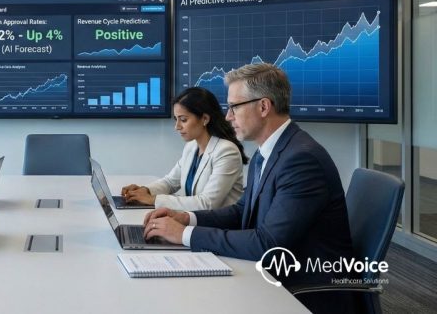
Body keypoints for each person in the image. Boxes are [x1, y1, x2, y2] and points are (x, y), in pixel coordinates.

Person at [142, 64, 356, 313]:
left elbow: (269, 245)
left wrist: (184, 235)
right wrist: (187, 218)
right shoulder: (266, 153)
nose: (228, 116)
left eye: (234, 106)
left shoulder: (301, 160)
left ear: (263, 107)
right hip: (271, 276)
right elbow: (242, 211)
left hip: (303, 292)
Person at [121, 87, 247, 210]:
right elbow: (170, 182)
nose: (177, 127)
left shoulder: (226, 151)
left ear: (205, 119)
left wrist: (153, 200)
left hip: (219, 228)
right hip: (196, 222)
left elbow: (207, 203)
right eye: (176, 120)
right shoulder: (191, 147)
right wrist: (144, 190)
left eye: (183, 120)